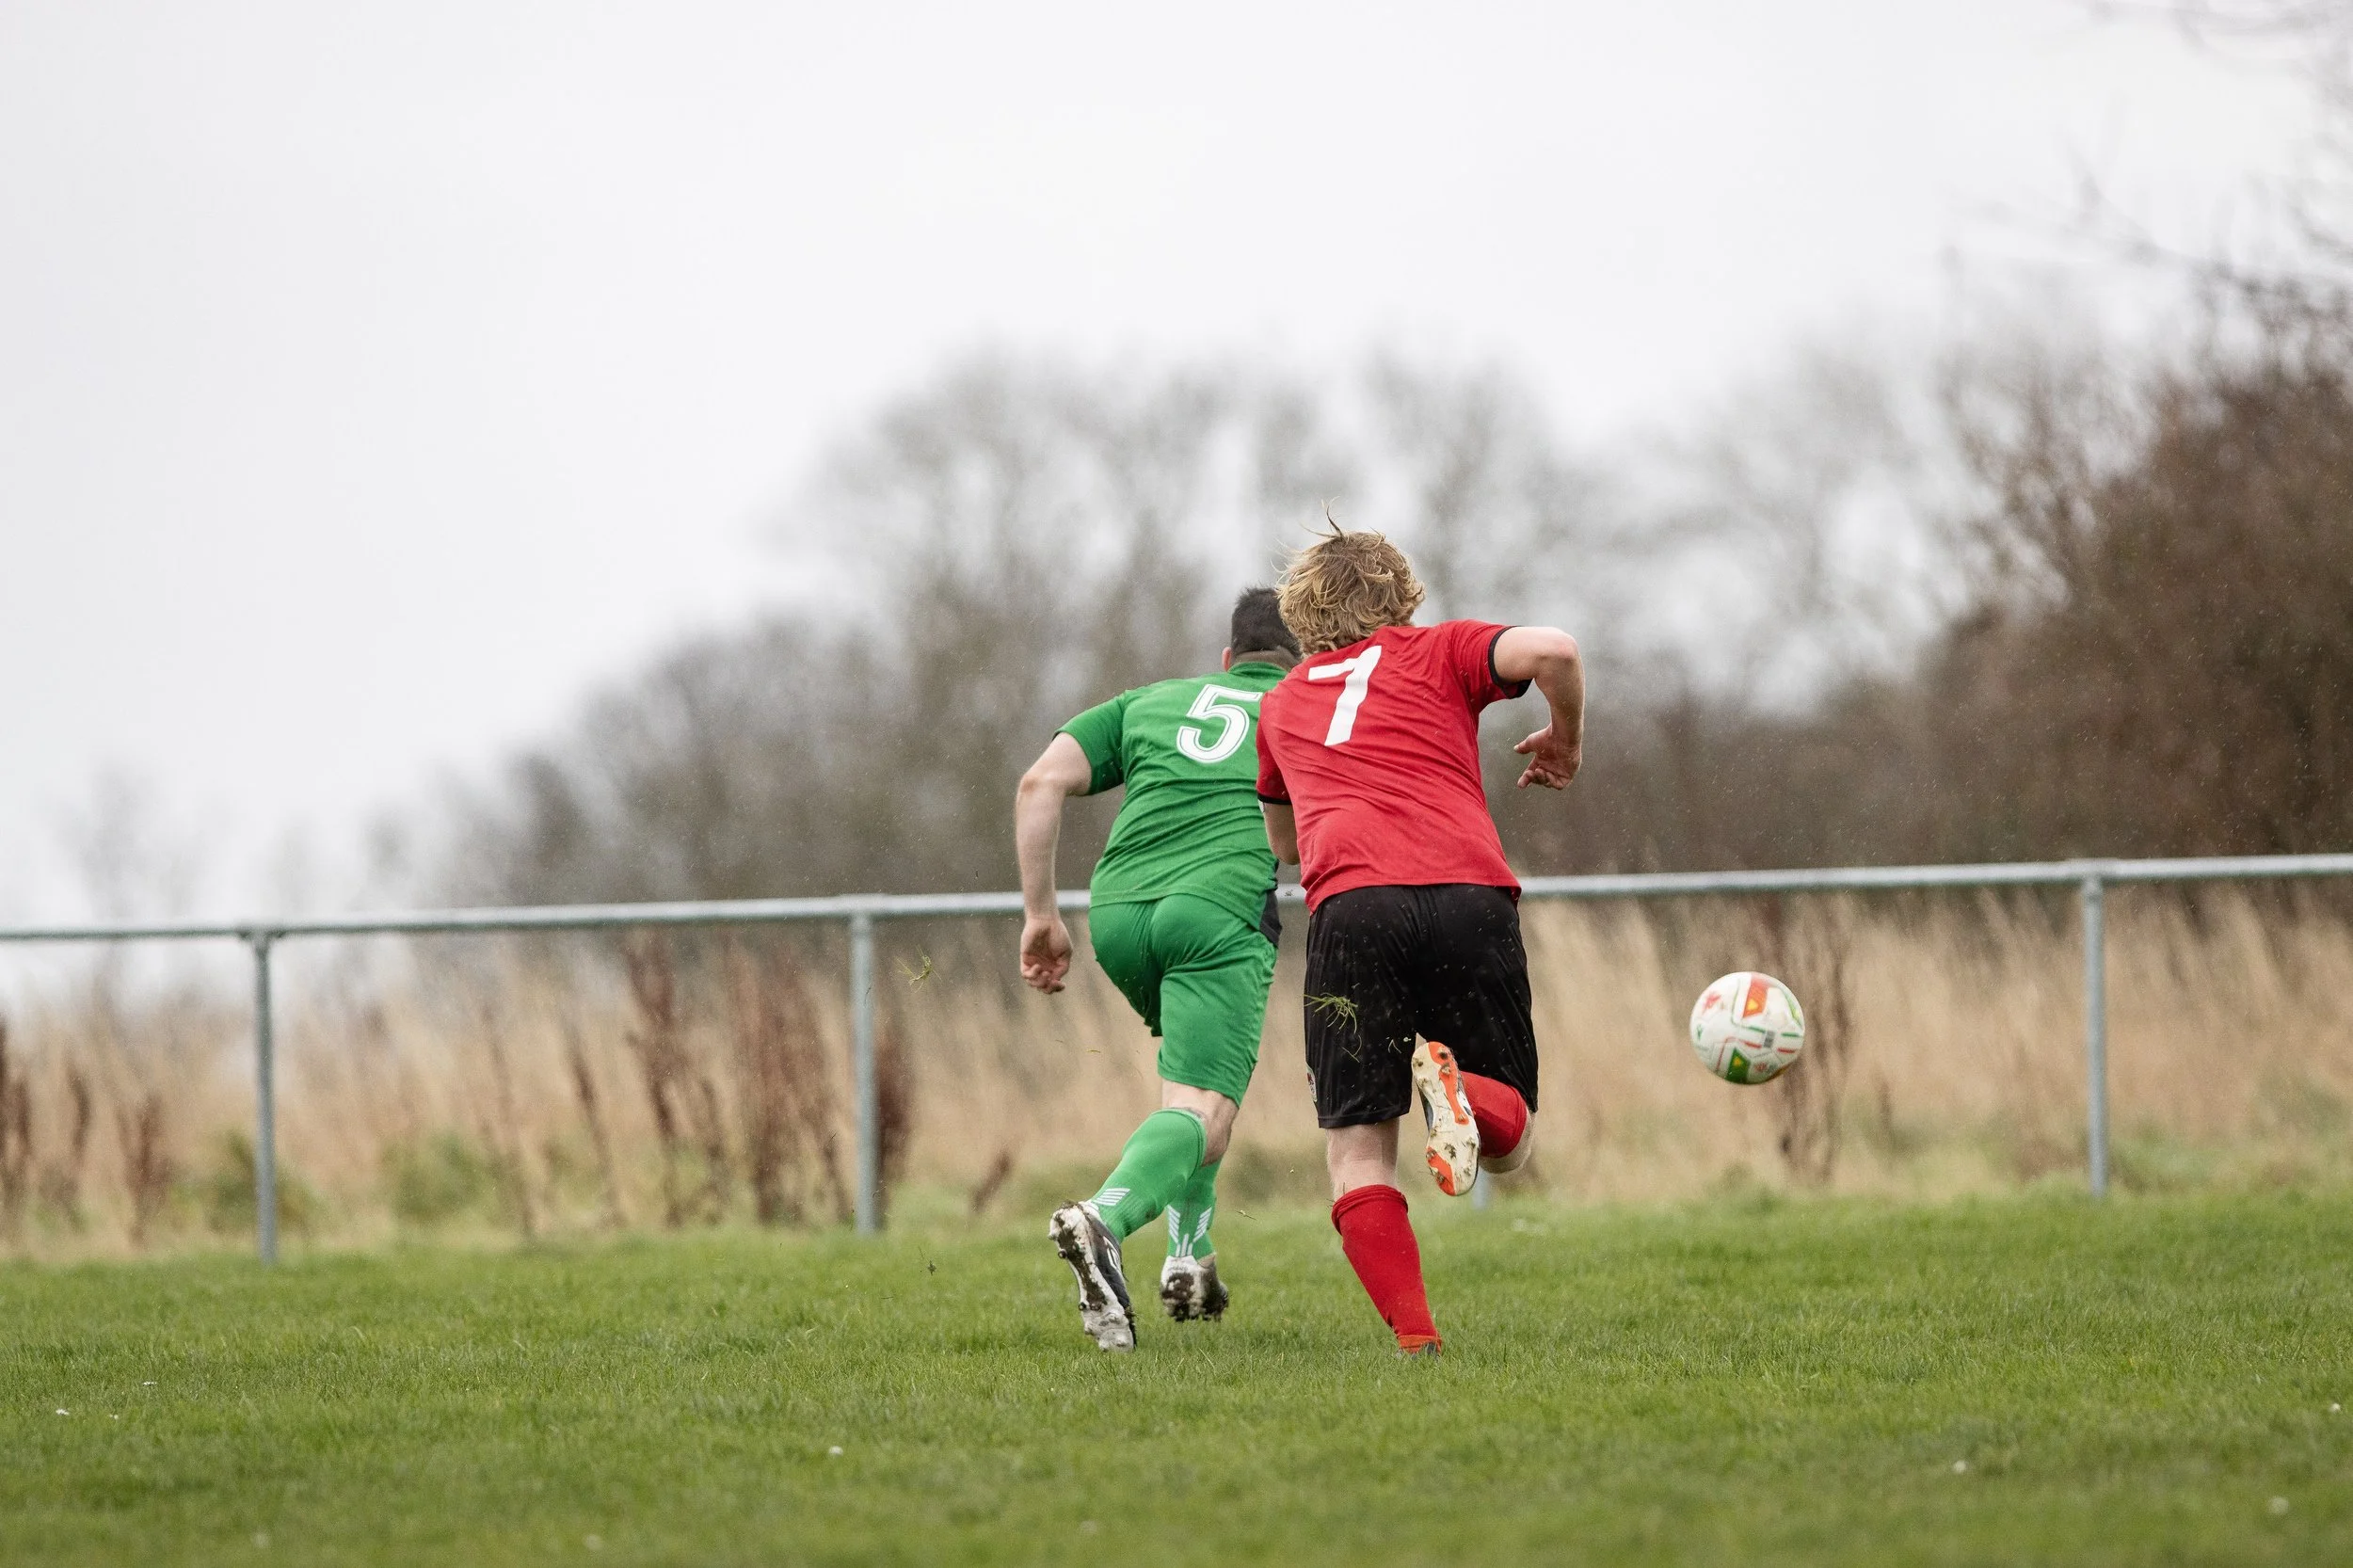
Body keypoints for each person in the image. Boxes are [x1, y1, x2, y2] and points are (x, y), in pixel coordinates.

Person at [1253, 528, 1583, 1354]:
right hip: (1470, 895)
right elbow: (1556, 649)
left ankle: (1417, 1338)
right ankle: (1465, 1093)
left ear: (1301, 613)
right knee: (1510, 1152)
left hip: (1355, 908)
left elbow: (1285, 847)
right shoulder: (1440, 652)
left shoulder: (1283, 702)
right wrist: (1567, 738)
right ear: (1402, 595)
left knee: (1359, 1152)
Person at [1015, 587, 1302, 1352]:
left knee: (1190, 1098)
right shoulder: (1306, 702)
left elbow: (1039, 784)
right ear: (1309, 654)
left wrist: (1041, 915)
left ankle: (1190, 1255)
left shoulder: (1150, 701)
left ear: (1226, 658)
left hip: (1117, 914)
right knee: (1205, 1111)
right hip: (1215, 913)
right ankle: (1103, 1221)